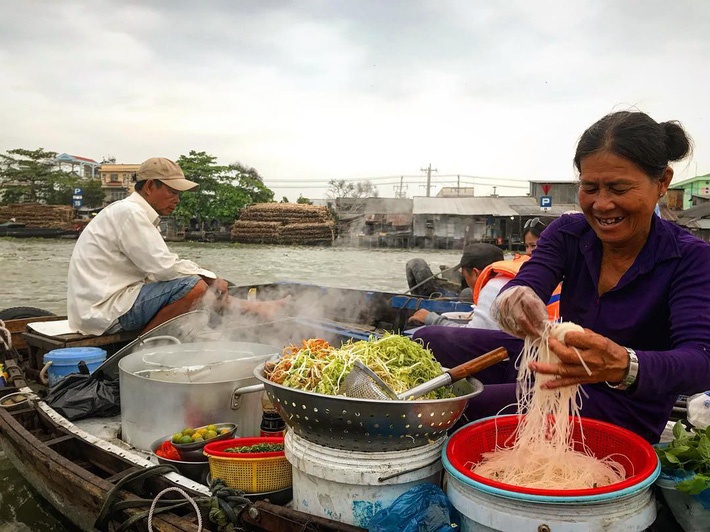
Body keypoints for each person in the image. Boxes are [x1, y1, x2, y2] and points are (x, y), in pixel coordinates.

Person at [414, 110, 710, 443]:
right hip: (555, 363)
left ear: (662, 182)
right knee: (428, 339)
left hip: (623, 404)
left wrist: (625, 364)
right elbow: (529, 280)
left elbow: (700, 360)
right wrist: (514, 299)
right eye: (590, 187)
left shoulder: (690, 258)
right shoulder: (570, 233)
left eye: (618, 188)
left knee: (468, 405)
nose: (601, 204)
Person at [67, 157, 289, 336]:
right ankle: (142, 348)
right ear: (150, 187)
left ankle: (257, 308)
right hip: (103, 310)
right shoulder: (130, 213)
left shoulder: (131, 213)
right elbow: (163, 268)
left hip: (102, 306)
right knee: (195, 287)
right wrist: (209, 278)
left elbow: (161, 267)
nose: (177, 200)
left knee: (199, 283)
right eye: (172, 192)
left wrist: (207, 277)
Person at [407, 244, 503, 326]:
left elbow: (470, 334)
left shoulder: (490, 292)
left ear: (475, 273)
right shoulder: (506, 282)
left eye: (464, 276)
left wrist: (431, 319)